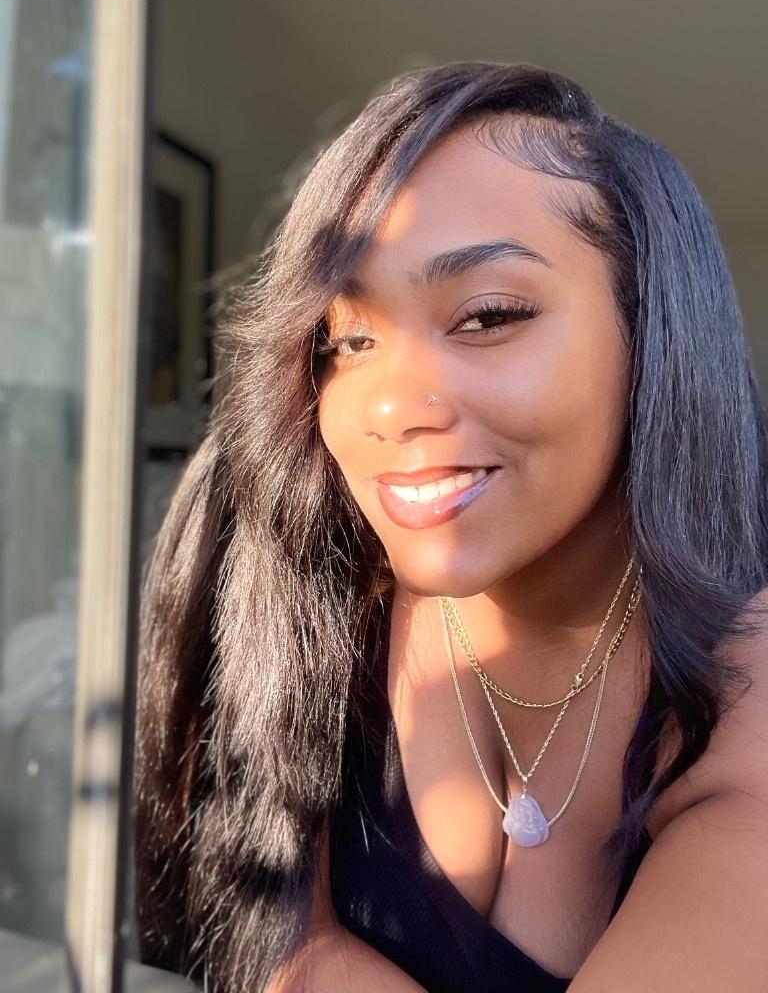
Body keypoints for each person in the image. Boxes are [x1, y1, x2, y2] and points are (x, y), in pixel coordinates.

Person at [133, 62, 768, 992]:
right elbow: (264, 931)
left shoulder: (742, 692)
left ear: (655, 333)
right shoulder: (311, 589)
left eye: (487, 316)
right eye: (348, 340)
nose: (389, 407)